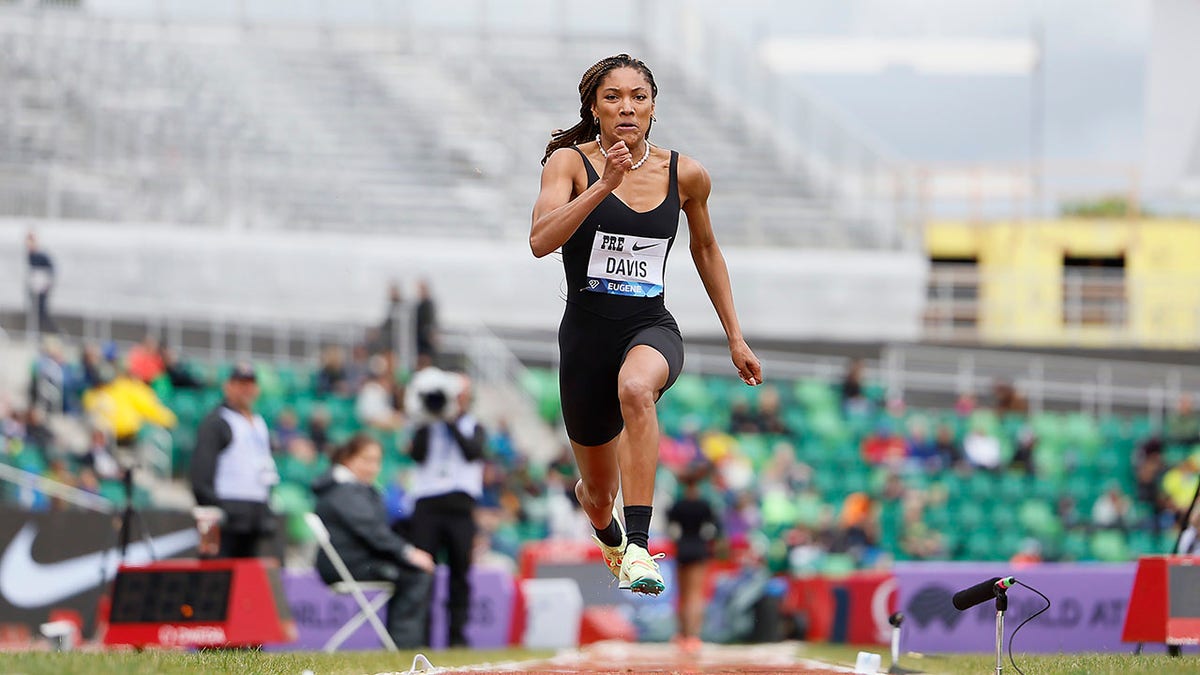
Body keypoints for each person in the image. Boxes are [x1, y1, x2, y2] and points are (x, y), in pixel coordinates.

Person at [530, 54, 762, 596]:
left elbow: (705, 248)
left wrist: (735, 336)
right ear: (594, 107)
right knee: (594, 494)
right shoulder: (568, 164)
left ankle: (639, 545)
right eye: (613, 97)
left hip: (650, 326)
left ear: (654, 108)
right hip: (586, 339)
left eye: (639, 96)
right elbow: (541, 241)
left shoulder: (686, 173)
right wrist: (604, 184)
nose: (626, 107)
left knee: (637, 389)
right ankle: (612, 537)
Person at [312, 433, 435, 649]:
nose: (373, 467)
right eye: (366, 460)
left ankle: (403, 646)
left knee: (414, 572)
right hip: (347, 565)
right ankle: (405, 649)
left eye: (377, 461)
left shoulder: (356, 489)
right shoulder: (344, 491)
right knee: (416, 575)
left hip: (356, 560)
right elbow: (372, 531)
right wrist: (408, 552)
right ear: (347, 459)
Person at [405, 369, 486, 647]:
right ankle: (421, 636)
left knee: (460, 573)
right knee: (424, 571)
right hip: (427, 506)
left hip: (460, 510)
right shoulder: (425, 424)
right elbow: (417, 454)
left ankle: (457, 637)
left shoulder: (473, 425)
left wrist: (450, 419)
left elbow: (472, 451)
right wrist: (430, 418)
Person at [189, 362, 279, 558]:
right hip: (226, 509)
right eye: (240, 384)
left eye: (250, 384)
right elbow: (201, 470)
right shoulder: (217, 421)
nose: (246, 390)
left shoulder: (258, 422)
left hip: (254, 511)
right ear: (228, 387)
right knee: (220, 573)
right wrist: (214, 508)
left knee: (247, 576)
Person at [667, 468, 720, 653]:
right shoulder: (704, 505)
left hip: (682, 549)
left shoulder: (677, 505)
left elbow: (671, 530)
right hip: (699, 549)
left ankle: (682, 634)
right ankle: (693, 635)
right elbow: (714, 530)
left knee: (682, 594)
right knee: (695, 594)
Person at [25, 231, 59, 335]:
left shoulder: (41, 255)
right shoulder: (30, 255)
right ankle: (40, 333)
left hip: (42, 286)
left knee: (42, 311)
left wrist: (46, 283)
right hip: (35, 286)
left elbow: (51, 270)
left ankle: (53, 332)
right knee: (36, 311)